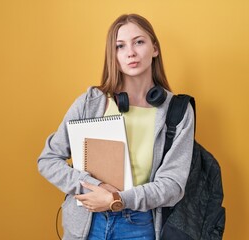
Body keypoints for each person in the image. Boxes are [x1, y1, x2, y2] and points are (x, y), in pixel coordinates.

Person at [38, 13, 195, 240]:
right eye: (120, 46)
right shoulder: (91, 102)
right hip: (86, 222)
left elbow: (172, 185)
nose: (130, 52)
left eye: (139, 42)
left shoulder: (178, 111)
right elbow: (48, 160)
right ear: (114, 56)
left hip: (139, 225)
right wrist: (96, 186)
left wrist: (117, 200)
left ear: (155, 48)